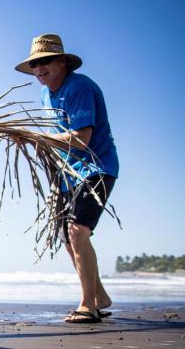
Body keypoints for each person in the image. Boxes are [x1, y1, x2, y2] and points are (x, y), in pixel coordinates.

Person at [15, 34, 119, 324]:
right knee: (67, 238)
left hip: (96, 168)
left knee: (78, 232)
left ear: (62, 61)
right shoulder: (46, 93)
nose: (38, 69)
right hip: (68, 173)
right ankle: (99, 296)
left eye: (44, 62)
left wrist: (39, 138)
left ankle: (88, 305)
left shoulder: (80, 88)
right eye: (34, 64)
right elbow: (56, 138)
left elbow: (81, 140)